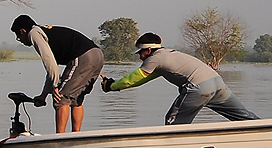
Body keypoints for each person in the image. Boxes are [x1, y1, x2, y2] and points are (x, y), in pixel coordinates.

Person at [99, 32, 259, 125]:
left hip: (199, 87)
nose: (140, 57)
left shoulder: (155, 58)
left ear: (148, 50)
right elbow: (142, 79)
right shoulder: (169, 55)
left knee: (173, 122)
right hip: (217, 82)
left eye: (140, 53)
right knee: (243, 117)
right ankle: (266, 134)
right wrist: (115, 85)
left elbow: (134, 78)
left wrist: (111, 86)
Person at [11, 14, 104, 133]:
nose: (21, 41)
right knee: (76, 99)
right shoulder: (43, 31)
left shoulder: (34, 33)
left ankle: (59, 138)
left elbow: (51, 65)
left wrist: (55, 87)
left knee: (60, 98)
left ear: (22, 31)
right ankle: (76, 136)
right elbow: (52, 70)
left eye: (18, 37)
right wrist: (43, 95)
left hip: (82, 55)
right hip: (97, 55)